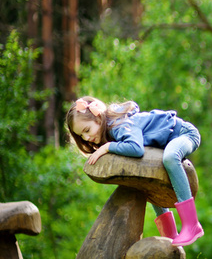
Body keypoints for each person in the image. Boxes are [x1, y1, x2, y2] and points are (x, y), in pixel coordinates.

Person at [66, 96, 204, 246]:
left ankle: (192, 224)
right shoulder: (111, 131)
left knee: (170, 158)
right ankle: (169, 234)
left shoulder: (118, 126)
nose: (86, 137)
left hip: (183, 133)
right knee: (147, 179)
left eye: (87, 130)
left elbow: (136, 148)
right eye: (81, 135)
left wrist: (108, 147)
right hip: (166, 142)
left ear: (99, 118)